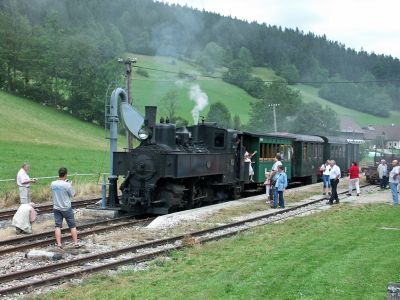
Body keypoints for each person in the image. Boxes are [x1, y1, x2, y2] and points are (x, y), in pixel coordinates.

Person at [51, 167, 80, 248]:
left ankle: (59, 244)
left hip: (56, 207)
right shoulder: (67, 185)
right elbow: (73, 194)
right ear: (66, 174)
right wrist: (70, 185)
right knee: (72, 226)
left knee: (57, 226)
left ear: (59, 174)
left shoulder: (53, 183)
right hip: (66, 208)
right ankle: (75, 243)